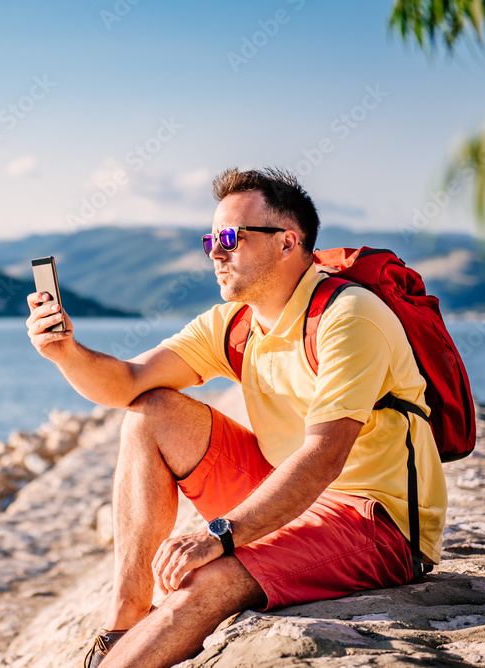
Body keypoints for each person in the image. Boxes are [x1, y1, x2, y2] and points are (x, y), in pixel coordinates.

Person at [24, 167, 448, 668]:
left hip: (374, 523)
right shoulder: (236, 323)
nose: (215, 253)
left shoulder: (348, 317)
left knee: (208, 578)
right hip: (289, 495)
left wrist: (219, 536)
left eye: (230, 238)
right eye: (211, 239)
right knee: (150, 413)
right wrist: (65, 352)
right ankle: (125, 621)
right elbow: (129, 382)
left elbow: (324, 455)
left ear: (288, 242)